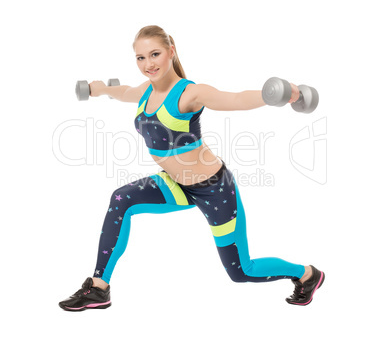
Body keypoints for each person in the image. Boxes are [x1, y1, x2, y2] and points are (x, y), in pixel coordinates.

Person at [59, 25, 324, 311]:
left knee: (241, 271)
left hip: (214, 189)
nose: (148, 64)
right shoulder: (146, 92)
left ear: (171, 51)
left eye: (155, 54)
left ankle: (307, 274)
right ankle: (99, 288)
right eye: (140, 58)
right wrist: (99, 90)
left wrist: (279, 95)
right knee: (121, 199)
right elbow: (123, 92)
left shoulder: (189, 94)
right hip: (176, 184)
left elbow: (233, 99)